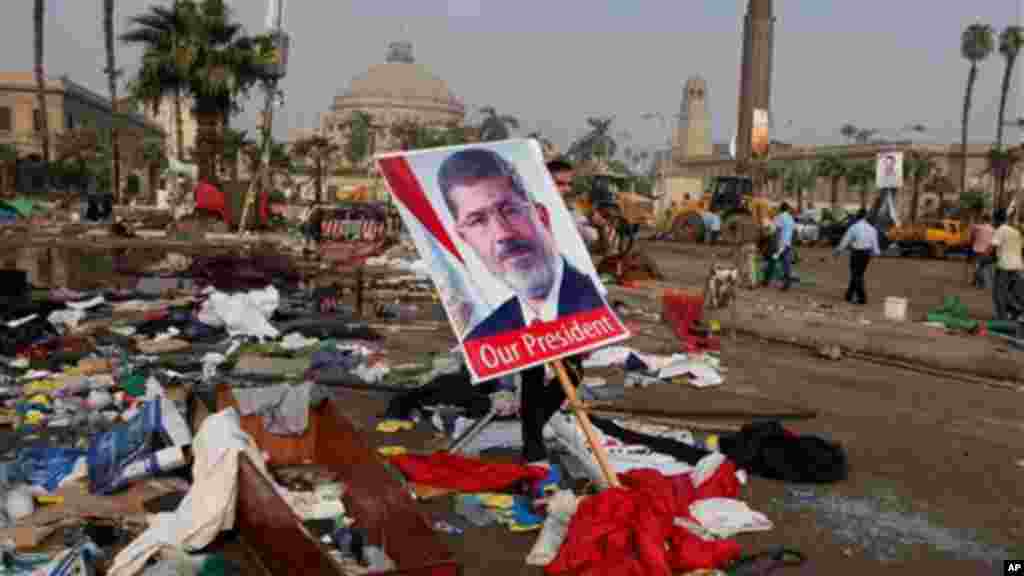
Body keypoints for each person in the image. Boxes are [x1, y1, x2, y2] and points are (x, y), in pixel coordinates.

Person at [437, 148, 605, 342]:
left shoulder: (597, 307)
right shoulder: (483, 340)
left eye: (510, 210)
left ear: (542, 217)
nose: (502, 234)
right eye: (477, 221)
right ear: (465, 238)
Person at [547, 158, 601, 248]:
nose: (567, 189)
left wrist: (600, 227)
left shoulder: (572, 213)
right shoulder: (530, 209)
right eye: (559, 184)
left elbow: (593, 239)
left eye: (569, 184)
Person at [834, 209, 881, 305]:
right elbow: (875, 246)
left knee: (856, 275)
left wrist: (838, 251)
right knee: (858, 274)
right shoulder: (872, 229)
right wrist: (876, 253)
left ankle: (862, 298)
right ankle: (849, 295)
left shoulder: (854, 227)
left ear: (857, 217)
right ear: (866, 217)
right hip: (866, 254)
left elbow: (845, 241)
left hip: (856, 253)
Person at [990, 209, 1023, 321]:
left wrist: (983, 258)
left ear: (996, 220)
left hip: (1004, 265)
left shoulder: (1001, 229)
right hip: (1017, 266)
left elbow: (993, 246)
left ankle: (1002, 317)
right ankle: (1015, 311)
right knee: (1013, 292)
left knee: (999, 293)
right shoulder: (1016, 231)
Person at [761, 202, 795, 290]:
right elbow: (793, 231)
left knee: (773, 261)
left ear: (781, 209)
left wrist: (775, 242)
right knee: (785, 263)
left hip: (780, 244)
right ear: (787, 209)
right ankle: (786, 282)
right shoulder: (790, 218)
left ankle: (766, 281)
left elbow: (777, 230)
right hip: (787, 243)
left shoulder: (779, 217)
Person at [969, 216, 995, 289]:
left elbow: (972, 234)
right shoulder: (993, 229)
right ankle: (975, 280)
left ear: (983, 220)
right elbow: (993, 241)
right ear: (989, 220)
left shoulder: (978, 227)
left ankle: (981, 282)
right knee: (981, 267)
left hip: (977, 250)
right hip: (987, 250)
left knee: (977, 266)